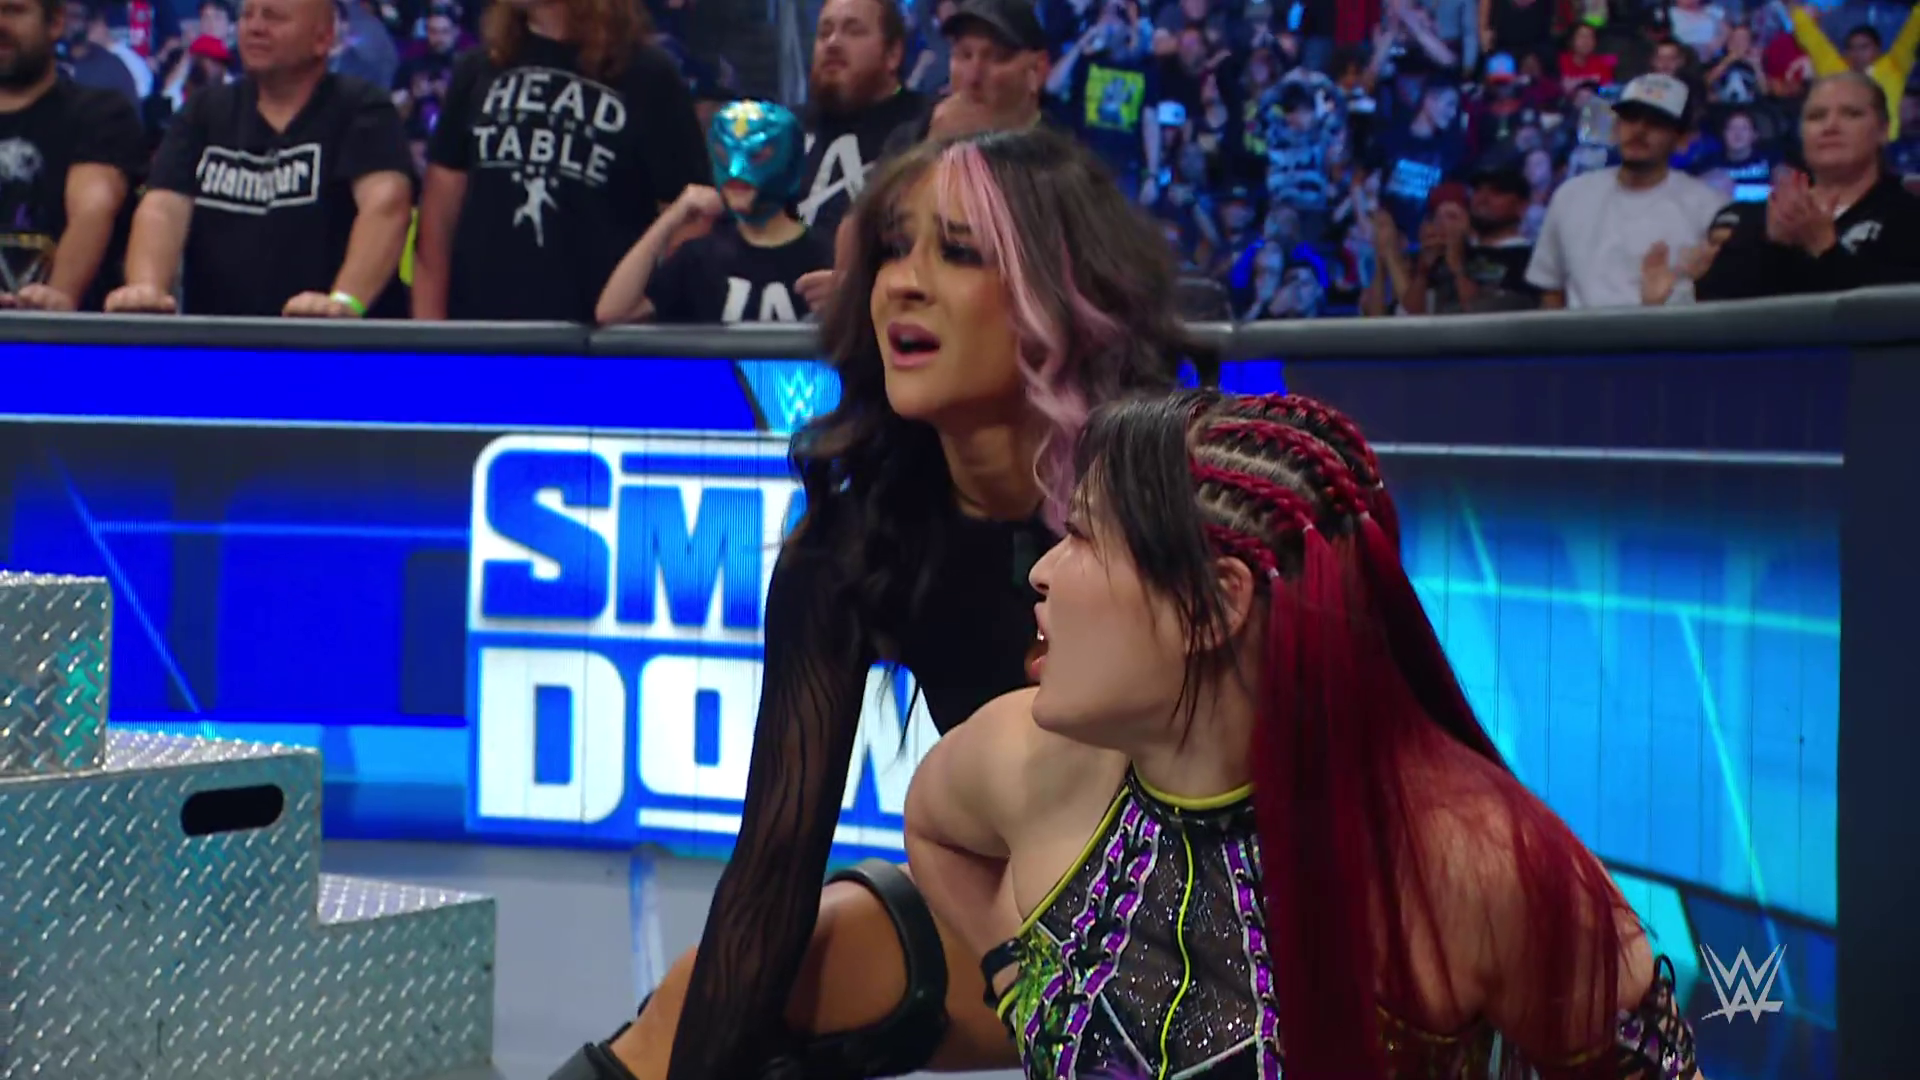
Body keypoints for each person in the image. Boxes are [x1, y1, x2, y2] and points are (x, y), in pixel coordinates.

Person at [550, 127, 1198, 1080]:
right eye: (894, 248)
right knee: (697, 1004)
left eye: (958, 252)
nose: (903, 283)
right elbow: (772, 873)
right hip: (1025, 924)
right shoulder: (858, 544)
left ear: (1058, 291)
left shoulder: (1184, 493)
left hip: (1243, 929)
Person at [903, 390, 1704, 1080]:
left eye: (1082, 536)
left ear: (1214, 605)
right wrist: (1022, 984)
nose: (1042, 571)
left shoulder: (1476, 863)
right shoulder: (1023, 758)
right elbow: (936, 833)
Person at [104, 0, 414, 317]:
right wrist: (147, 289)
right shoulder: (205, 110)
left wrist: (345, 302)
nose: (255, 28)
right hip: (222, 335)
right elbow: (163, 208)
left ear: (322, 39)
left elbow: (386, 206)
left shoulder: (361, 107)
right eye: (247, 15)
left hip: (337, 339)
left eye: (273, 17)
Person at [411, 0, 707, 322]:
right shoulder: (478, 68)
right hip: (482, 329)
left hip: (599, 332)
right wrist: (432, 336)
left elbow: (691, 216)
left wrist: (641, 316)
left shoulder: (648, 74)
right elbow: (436, 226)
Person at [595, 99, 831, 325]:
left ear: (789, 161)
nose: (736, 171)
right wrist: (673, 216)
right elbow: (612, 312)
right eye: (724, 155)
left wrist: (844, 299)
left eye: (757, 156)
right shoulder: (698, 259)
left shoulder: (825, 256)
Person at [1692, 73, 1920, 300]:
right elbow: (1715, 305)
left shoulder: (1909, 216)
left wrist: (1824, 248)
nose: (1830, 126)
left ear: (1883, 130)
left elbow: (1897, 310)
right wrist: (1771, 244)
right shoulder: (1758, 216)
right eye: (1816, 116)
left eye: (1851, 114)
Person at [1526, 73, 1723, 309]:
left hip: (1667, 331)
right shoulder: (1570, 196)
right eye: (1630, 118)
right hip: (1582, 332)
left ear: (1681, 139)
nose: (1639, 129)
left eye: (1655, 122)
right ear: (1616, 126)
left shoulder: (1707, 207)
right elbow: (1551, 289)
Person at [0, 0, 146, 311]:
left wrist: (57, 300)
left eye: (13, 10)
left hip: (73, 332)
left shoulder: (100, 113)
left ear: (55, 22)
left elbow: (92, 210)